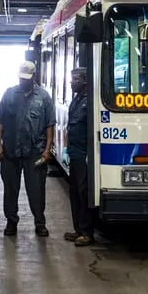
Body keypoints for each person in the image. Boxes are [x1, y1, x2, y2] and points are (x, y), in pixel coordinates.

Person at [0, 61, 56, 237]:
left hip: (34, 152)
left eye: (27, 79)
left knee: (36, 190)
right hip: (11, 152)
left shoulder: (43, 97)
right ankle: (11, 222)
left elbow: (49, 125)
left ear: (34, 76)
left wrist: (47, 149)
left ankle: (40, 223)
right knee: (10, 190)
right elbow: (0, 122)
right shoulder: (9, 94)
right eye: (21, 78)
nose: (23, 81)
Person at [62, 67, 94, 246]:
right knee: (73, 191)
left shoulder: (90, 102)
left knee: (83, 193)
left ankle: (87, 232)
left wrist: (90, 154)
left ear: (85, 81)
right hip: (74, 153)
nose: (71, 82)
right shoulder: (76, 100)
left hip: (83, 154)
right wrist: (66, 148)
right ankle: (78, 229)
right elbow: (70, 126)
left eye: (75, 79)